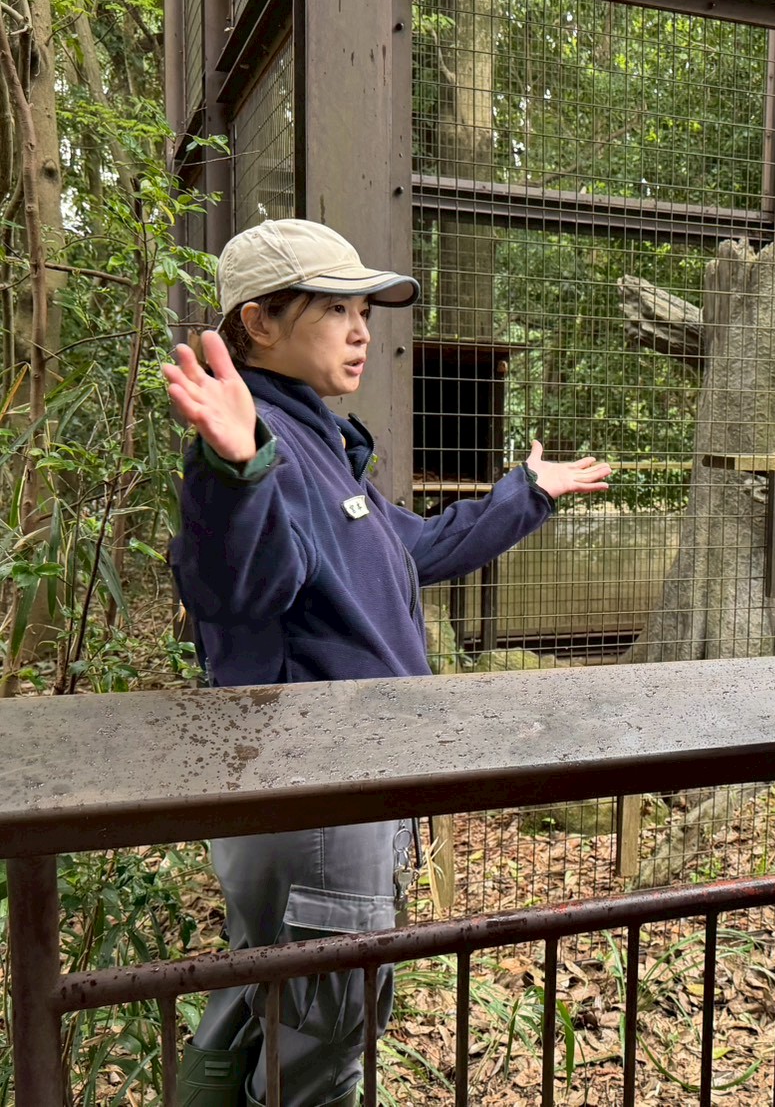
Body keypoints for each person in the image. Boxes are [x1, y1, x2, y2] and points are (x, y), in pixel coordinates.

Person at [166, 218, 610, 1107]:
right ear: (259, 323)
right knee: (320, 1046)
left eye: (365, 312)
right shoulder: (259, 448)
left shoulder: (321, 446)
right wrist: (235, 473)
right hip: (316, 794)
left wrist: (525, 494)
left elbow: (412, 546)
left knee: (263, 1010)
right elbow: (235, 589)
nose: (361, 331)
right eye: (335, 310)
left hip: (329, 793)